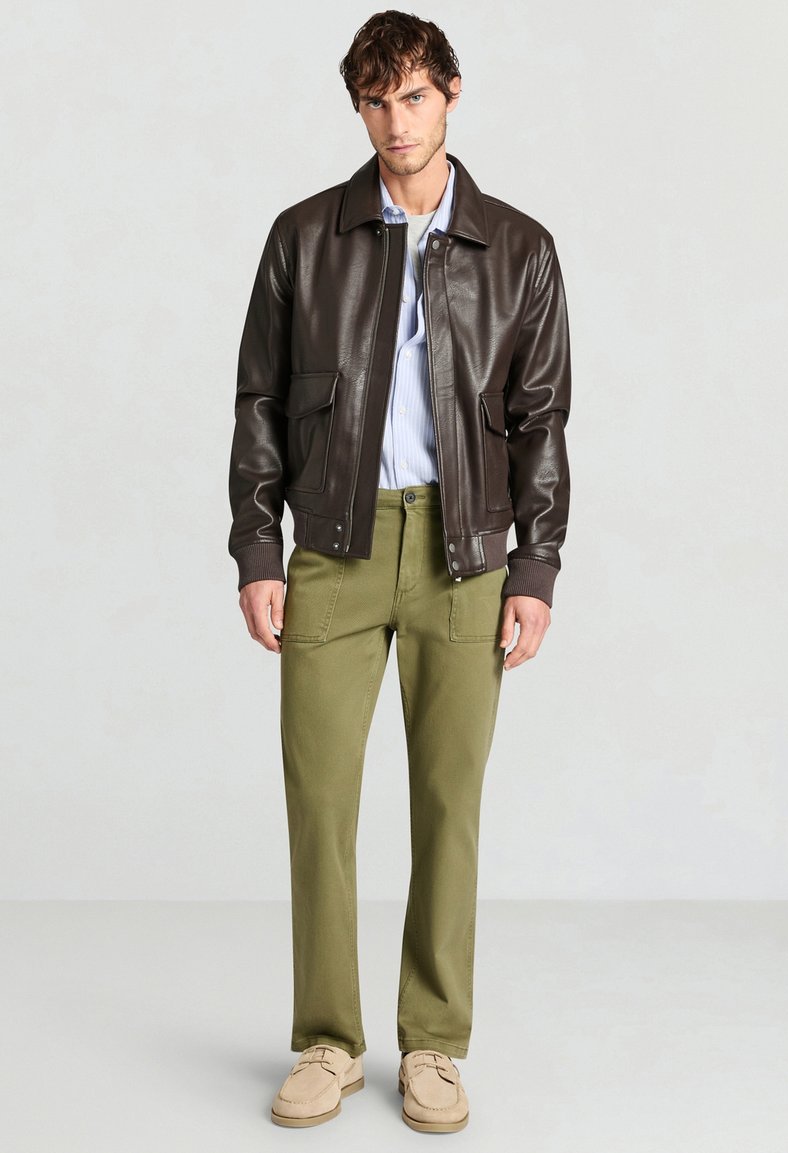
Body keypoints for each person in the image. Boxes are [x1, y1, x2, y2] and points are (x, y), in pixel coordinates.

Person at [227, 8, 571, 1134]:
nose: (395, 121)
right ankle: (327, 1039)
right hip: (332, 547)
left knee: (447, 803)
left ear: (451, 95)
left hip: (464, 555)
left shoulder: (518, 249)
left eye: (414, 95)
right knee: (319, 799)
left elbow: (540, 419)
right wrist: (257, 546)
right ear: (358, 107)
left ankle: (434, 1045)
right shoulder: (303, 237)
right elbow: (260, 401)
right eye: (375, 100)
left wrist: (535, 566)